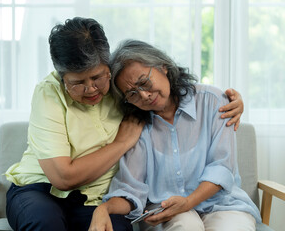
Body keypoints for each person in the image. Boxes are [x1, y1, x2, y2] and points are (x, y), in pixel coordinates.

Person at [4, 17, 244, 231]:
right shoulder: (54, 93)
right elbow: (63, 178)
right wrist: (122, 143)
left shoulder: (123, 88)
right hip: (40, 189)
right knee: (45, 223)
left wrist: (234, 101)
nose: (90, 89)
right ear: (62, 77)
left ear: (107, 66)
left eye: (97, 77)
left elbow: (167, 89)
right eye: (77, 83)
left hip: (96, 197)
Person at [89, 40, 261, 231]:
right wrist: (103, 209)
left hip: (224, 204)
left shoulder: (214, 102)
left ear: (163, 67)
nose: (144, 96)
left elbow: (221, 167)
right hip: (166, 210)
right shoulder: (135, 125)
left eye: (144, 83)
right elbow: (131, 189)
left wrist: (188, 202)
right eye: (132, 94)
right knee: (185, 226)